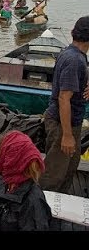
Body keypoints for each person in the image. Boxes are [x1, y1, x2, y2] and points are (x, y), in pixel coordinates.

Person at [39, 16, 89, 193]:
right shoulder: (74, 60)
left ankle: (58, 204)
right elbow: (63, 98)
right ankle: (40, 209)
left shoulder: (73, 54)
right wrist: (67, 136)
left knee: (68, 168)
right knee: (53, 174)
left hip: (69, 123)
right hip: (62, 125)